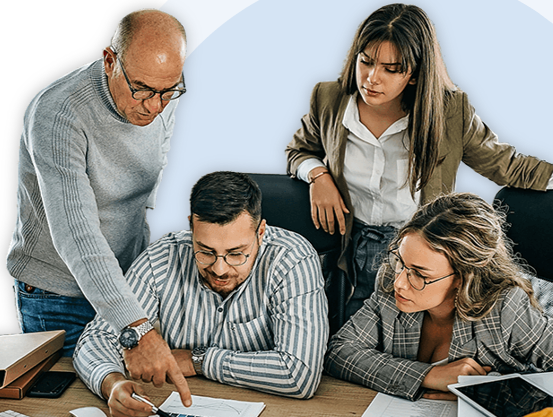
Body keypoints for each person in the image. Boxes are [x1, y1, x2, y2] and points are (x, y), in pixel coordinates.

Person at [285, 3, 553, 321]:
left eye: (391, 68)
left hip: (417, 246)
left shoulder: (450, 112)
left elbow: (506, 164)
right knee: (352, 338)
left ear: (414, 74)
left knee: (517, 310)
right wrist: (318, 175)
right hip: (351, 244)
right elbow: (299, 150)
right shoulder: (328, 99)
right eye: (366, 61)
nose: (371, 78)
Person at [7, 8, 194, 406]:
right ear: (111, 60)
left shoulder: (160, 89)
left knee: (128, 403)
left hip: (125, 283)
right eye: (142, 89)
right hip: (57, 296)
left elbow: (154, 159)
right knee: (73, 408)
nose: (155, 106)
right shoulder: (57, 114)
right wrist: (136, 328)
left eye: (169, 90)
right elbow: (78, 237)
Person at [73, 171, 329, 416]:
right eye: (206, 251)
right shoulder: (162, 257)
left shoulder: (293, 259)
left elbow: (299, 374)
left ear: (260, 233)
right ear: (191, 228)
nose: (219, 269)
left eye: (236, 253)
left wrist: (200, 361)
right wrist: (112, 383)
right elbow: (96, 338)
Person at [324, 193, 553, 401]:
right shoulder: (390, 281)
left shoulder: (507, 307)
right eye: (401, 263)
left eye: (420, 274)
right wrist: (430, 375)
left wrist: (488, 392)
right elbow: (339, 351)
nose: (400, 282)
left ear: (463, 278)